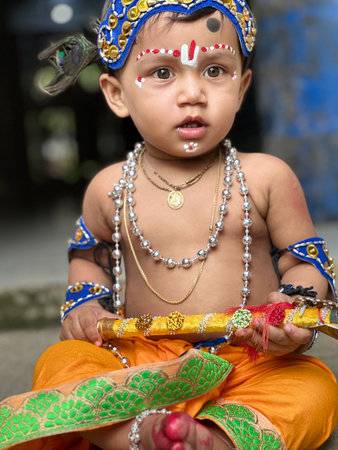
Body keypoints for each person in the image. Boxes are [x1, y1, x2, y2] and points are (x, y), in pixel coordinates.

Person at [0, 1, 337, 449]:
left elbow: (305, 260)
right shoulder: (108, 188)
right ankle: (140, 434)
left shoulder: (268, 177)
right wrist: (83, 308)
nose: (193, 93)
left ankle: (214, 438)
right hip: (135, 358)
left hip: (248, 356)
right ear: (116, 94)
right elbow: (89, 260)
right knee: (63, 362)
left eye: (215, 71)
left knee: (313, 390)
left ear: (242, 88)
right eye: (162, 73)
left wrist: (293, 311)